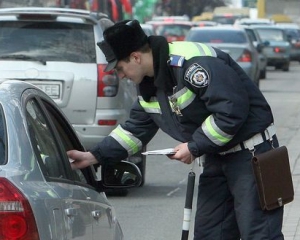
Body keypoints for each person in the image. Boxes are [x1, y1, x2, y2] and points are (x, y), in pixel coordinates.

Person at [67, 19, 284, 239]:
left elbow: (231, 111)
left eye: (120, 68)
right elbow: (134, 130)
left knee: (260, 234)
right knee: (210, 234)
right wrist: (94, 156)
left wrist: (193, 146)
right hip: (218, 157)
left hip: (253, 155)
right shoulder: (150, 84)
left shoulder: (193, 64)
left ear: (135, 57)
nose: (120, 75)